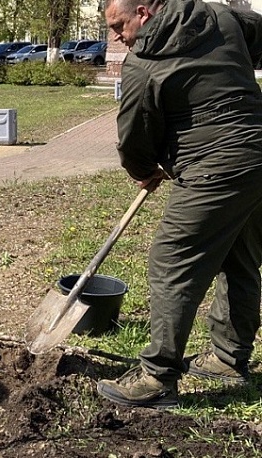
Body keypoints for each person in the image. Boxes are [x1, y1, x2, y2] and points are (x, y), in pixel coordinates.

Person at [97, 0, 262, 409]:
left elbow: (135, 134)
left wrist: (142, 168)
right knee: (241, 257)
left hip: (215, 167)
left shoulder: (143, 64)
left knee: (171, 261)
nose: (116, 36)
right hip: (258, 155)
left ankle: (157, 378)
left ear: (144, 12)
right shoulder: (221, 16)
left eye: (119, 26)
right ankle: (228, 358)